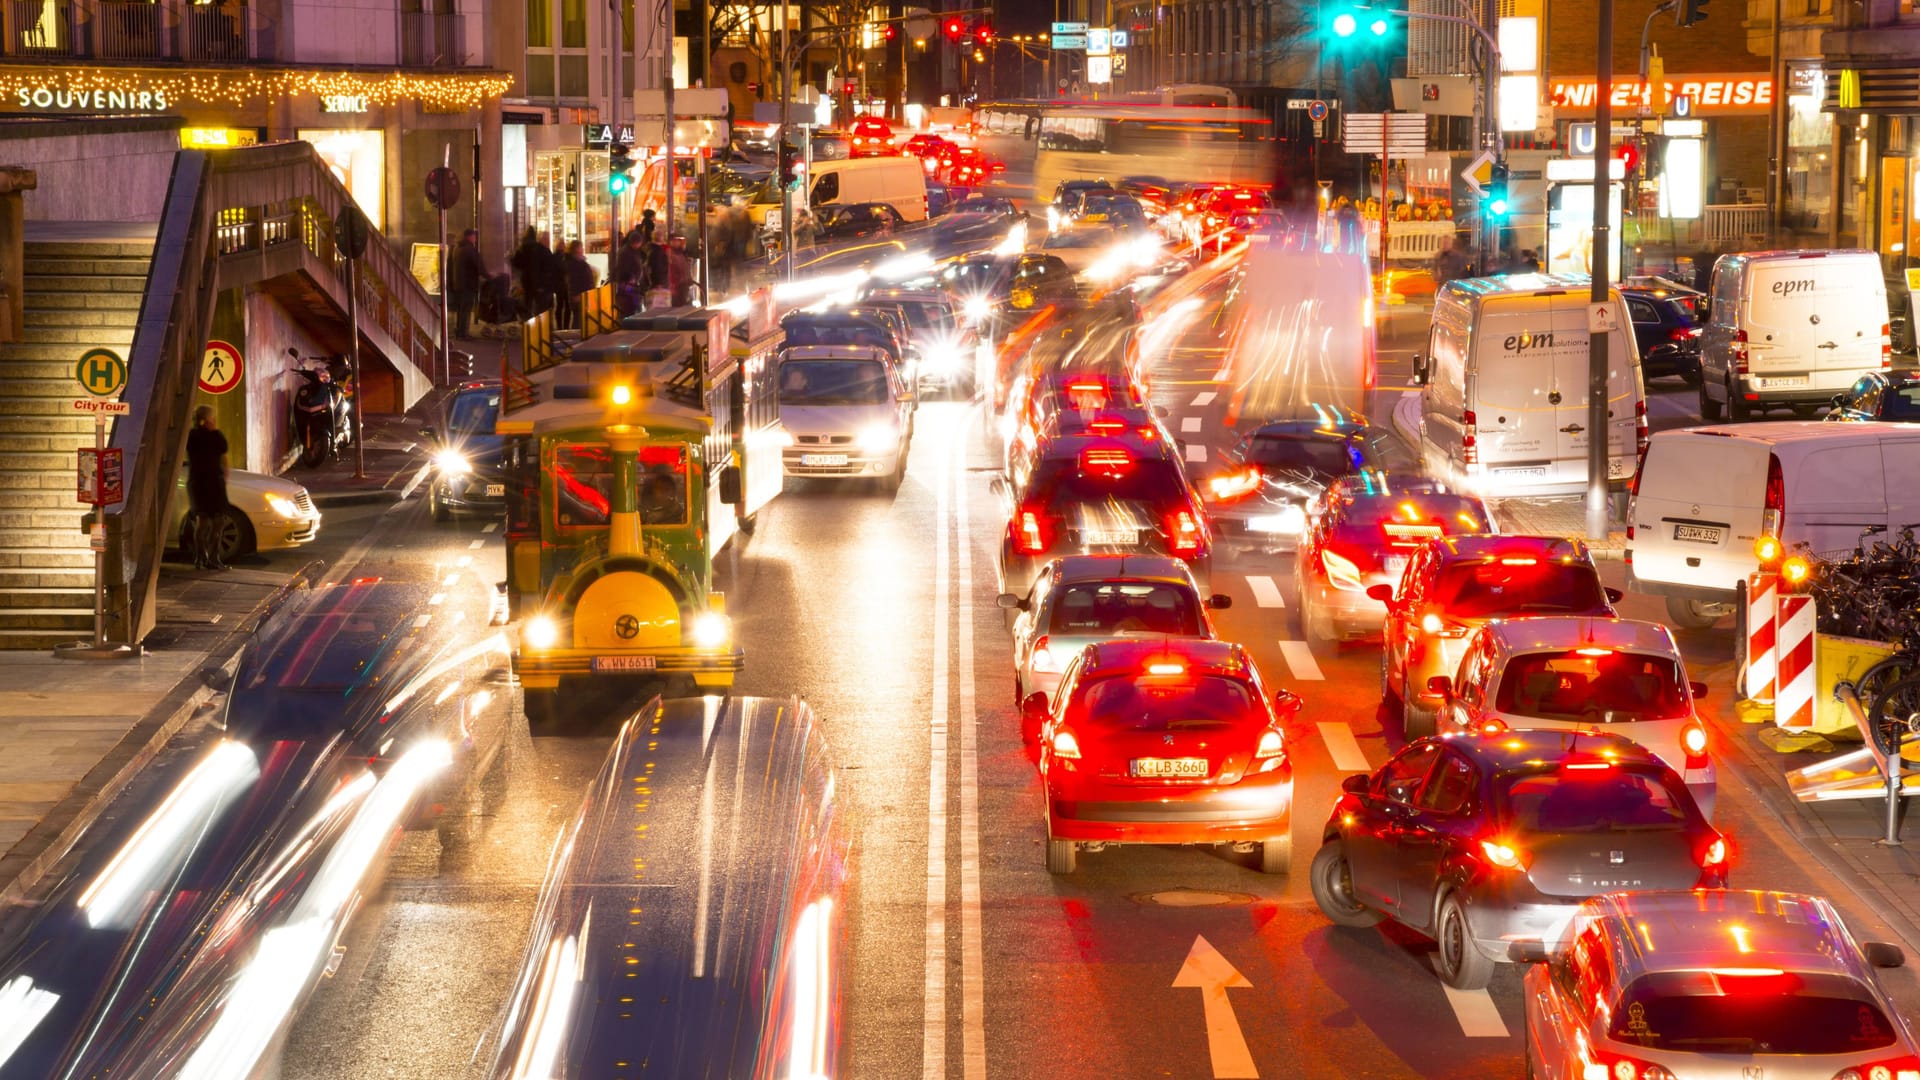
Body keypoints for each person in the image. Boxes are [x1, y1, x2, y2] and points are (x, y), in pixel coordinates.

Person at [186, 405, 230, 571]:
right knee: (212, 521)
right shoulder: (212, 436)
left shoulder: (193, 435)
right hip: (209, 483)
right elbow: (223, 450)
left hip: (201, 483)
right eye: (212, 417)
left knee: (205, 521)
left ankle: (203, 558)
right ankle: (209, 558)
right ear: (207, 419)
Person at [511, 228, 553, 320]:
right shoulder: (540, 249)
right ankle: (538, 327)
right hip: (538, 283)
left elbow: (516, 263)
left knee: (527, 304)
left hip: (526, 281)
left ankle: (527, 324)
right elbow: (545, 267)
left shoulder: (522, 248)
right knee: (541, 307)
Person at [450, 228, 485, 339]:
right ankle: (463, 333)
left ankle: (459, 332)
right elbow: (479, 267)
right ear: (469, 237)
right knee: (466, 310)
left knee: (461, 309)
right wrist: (489, 277)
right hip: (468, 285)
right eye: (474, 236)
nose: (475, 239)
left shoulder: (457, 248)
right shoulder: (469, 249)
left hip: (459, 284)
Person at [613, 229, 652, 316]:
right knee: (632, 307)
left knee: (635, 306)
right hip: (629, 285)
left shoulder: (632, 251)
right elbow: (625, 268)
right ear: (635, 242)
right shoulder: (626, 252)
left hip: (631, 285)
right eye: (639, 243)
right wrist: (632, 278)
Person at [563, 239, 595, 328]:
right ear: (576, 249)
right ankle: (576, 338)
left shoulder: (578, 262)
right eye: (581, 247)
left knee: (581, 319)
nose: (583, 249)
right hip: (579, 296)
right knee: (578, 319)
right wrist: (575, 295)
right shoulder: (574, 264)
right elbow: (574, 280)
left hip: (583, 295)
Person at [666, 235, 693, 307]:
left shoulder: (682, 254)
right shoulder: (671, 254)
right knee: (678, 306)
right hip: (677, 285)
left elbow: (685, 269)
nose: (678, 243)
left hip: (683, 284)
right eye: (676, 241)